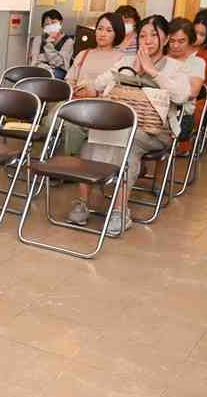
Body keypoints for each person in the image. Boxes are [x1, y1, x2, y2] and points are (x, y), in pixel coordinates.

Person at [67, 15, 190, 235]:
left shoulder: (175, 67)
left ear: (165, 38)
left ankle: (119, 212)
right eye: (143, 35)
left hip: (156, 130)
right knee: (94, 136)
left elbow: (181, 96)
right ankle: (82, 202)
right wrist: (105, 82)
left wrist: (152, 71)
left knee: (129, 143)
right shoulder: (127, 60)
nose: (148, 40)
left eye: (154, 35)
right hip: (123, 125)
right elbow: (99, 83)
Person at [63, 12, 125, 155]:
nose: (102, 34)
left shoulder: (121, 58)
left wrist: (96, 93)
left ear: (117, 33)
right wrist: (72, 87)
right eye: (100, 29)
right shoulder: (83, 54)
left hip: (101, 108)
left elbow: (117, 89)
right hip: (76, 101)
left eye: (109, 30)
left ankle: (69, 164)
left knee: (72, 126)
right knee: (51, 122)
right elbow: (70, 79)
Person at [168, 17, 207, 152]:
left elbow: (193, 92)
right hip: (157, 111)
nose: (175, 45)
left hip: (181, 116)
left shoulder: (197, 62)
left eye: (181, 41)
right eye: (172, 41)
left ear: (190, 41)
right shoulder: (162, 59)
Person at [28, 9, 74, 79]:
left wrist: (48, 46)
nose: (51, 26)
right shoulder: (38, 39)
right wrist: (47, 65)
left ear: (60, 23)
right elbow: (34, 61)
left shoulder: (68, 41)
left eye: (53, 23)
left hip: (57, 74)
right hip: (40, 71)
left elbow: (60, 63)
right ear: (43, 27)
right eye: (47, 24)